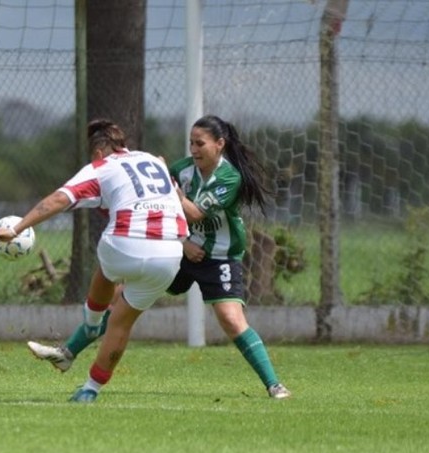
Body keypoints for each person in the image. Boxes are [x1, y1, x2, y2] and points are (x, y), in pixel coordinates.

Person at [28, 115, 292, 400]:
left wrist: (171, 187)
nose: (193, 149)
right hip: (178, 251)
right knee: (118, 298)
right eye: (191, 142)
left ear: (219, 144)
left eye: (200, 143)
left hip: (219, 257)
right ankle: (67, 353)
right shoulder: (183, 169)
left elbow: (194, 213)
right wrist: (184, 238)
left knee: (230, 319)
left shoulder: (229, 177)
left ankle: (274, 385)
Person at [0, 118, 187, 403]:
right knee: (121, 323)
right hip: (170, 253)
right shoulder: (154, 161)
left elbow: (58, 199)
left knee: (107, 267)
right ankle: (90, 390)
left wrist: (16, 228)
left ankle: (91, 324)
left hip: (126, 243)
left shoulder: (101, 167)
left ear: (97, 153)